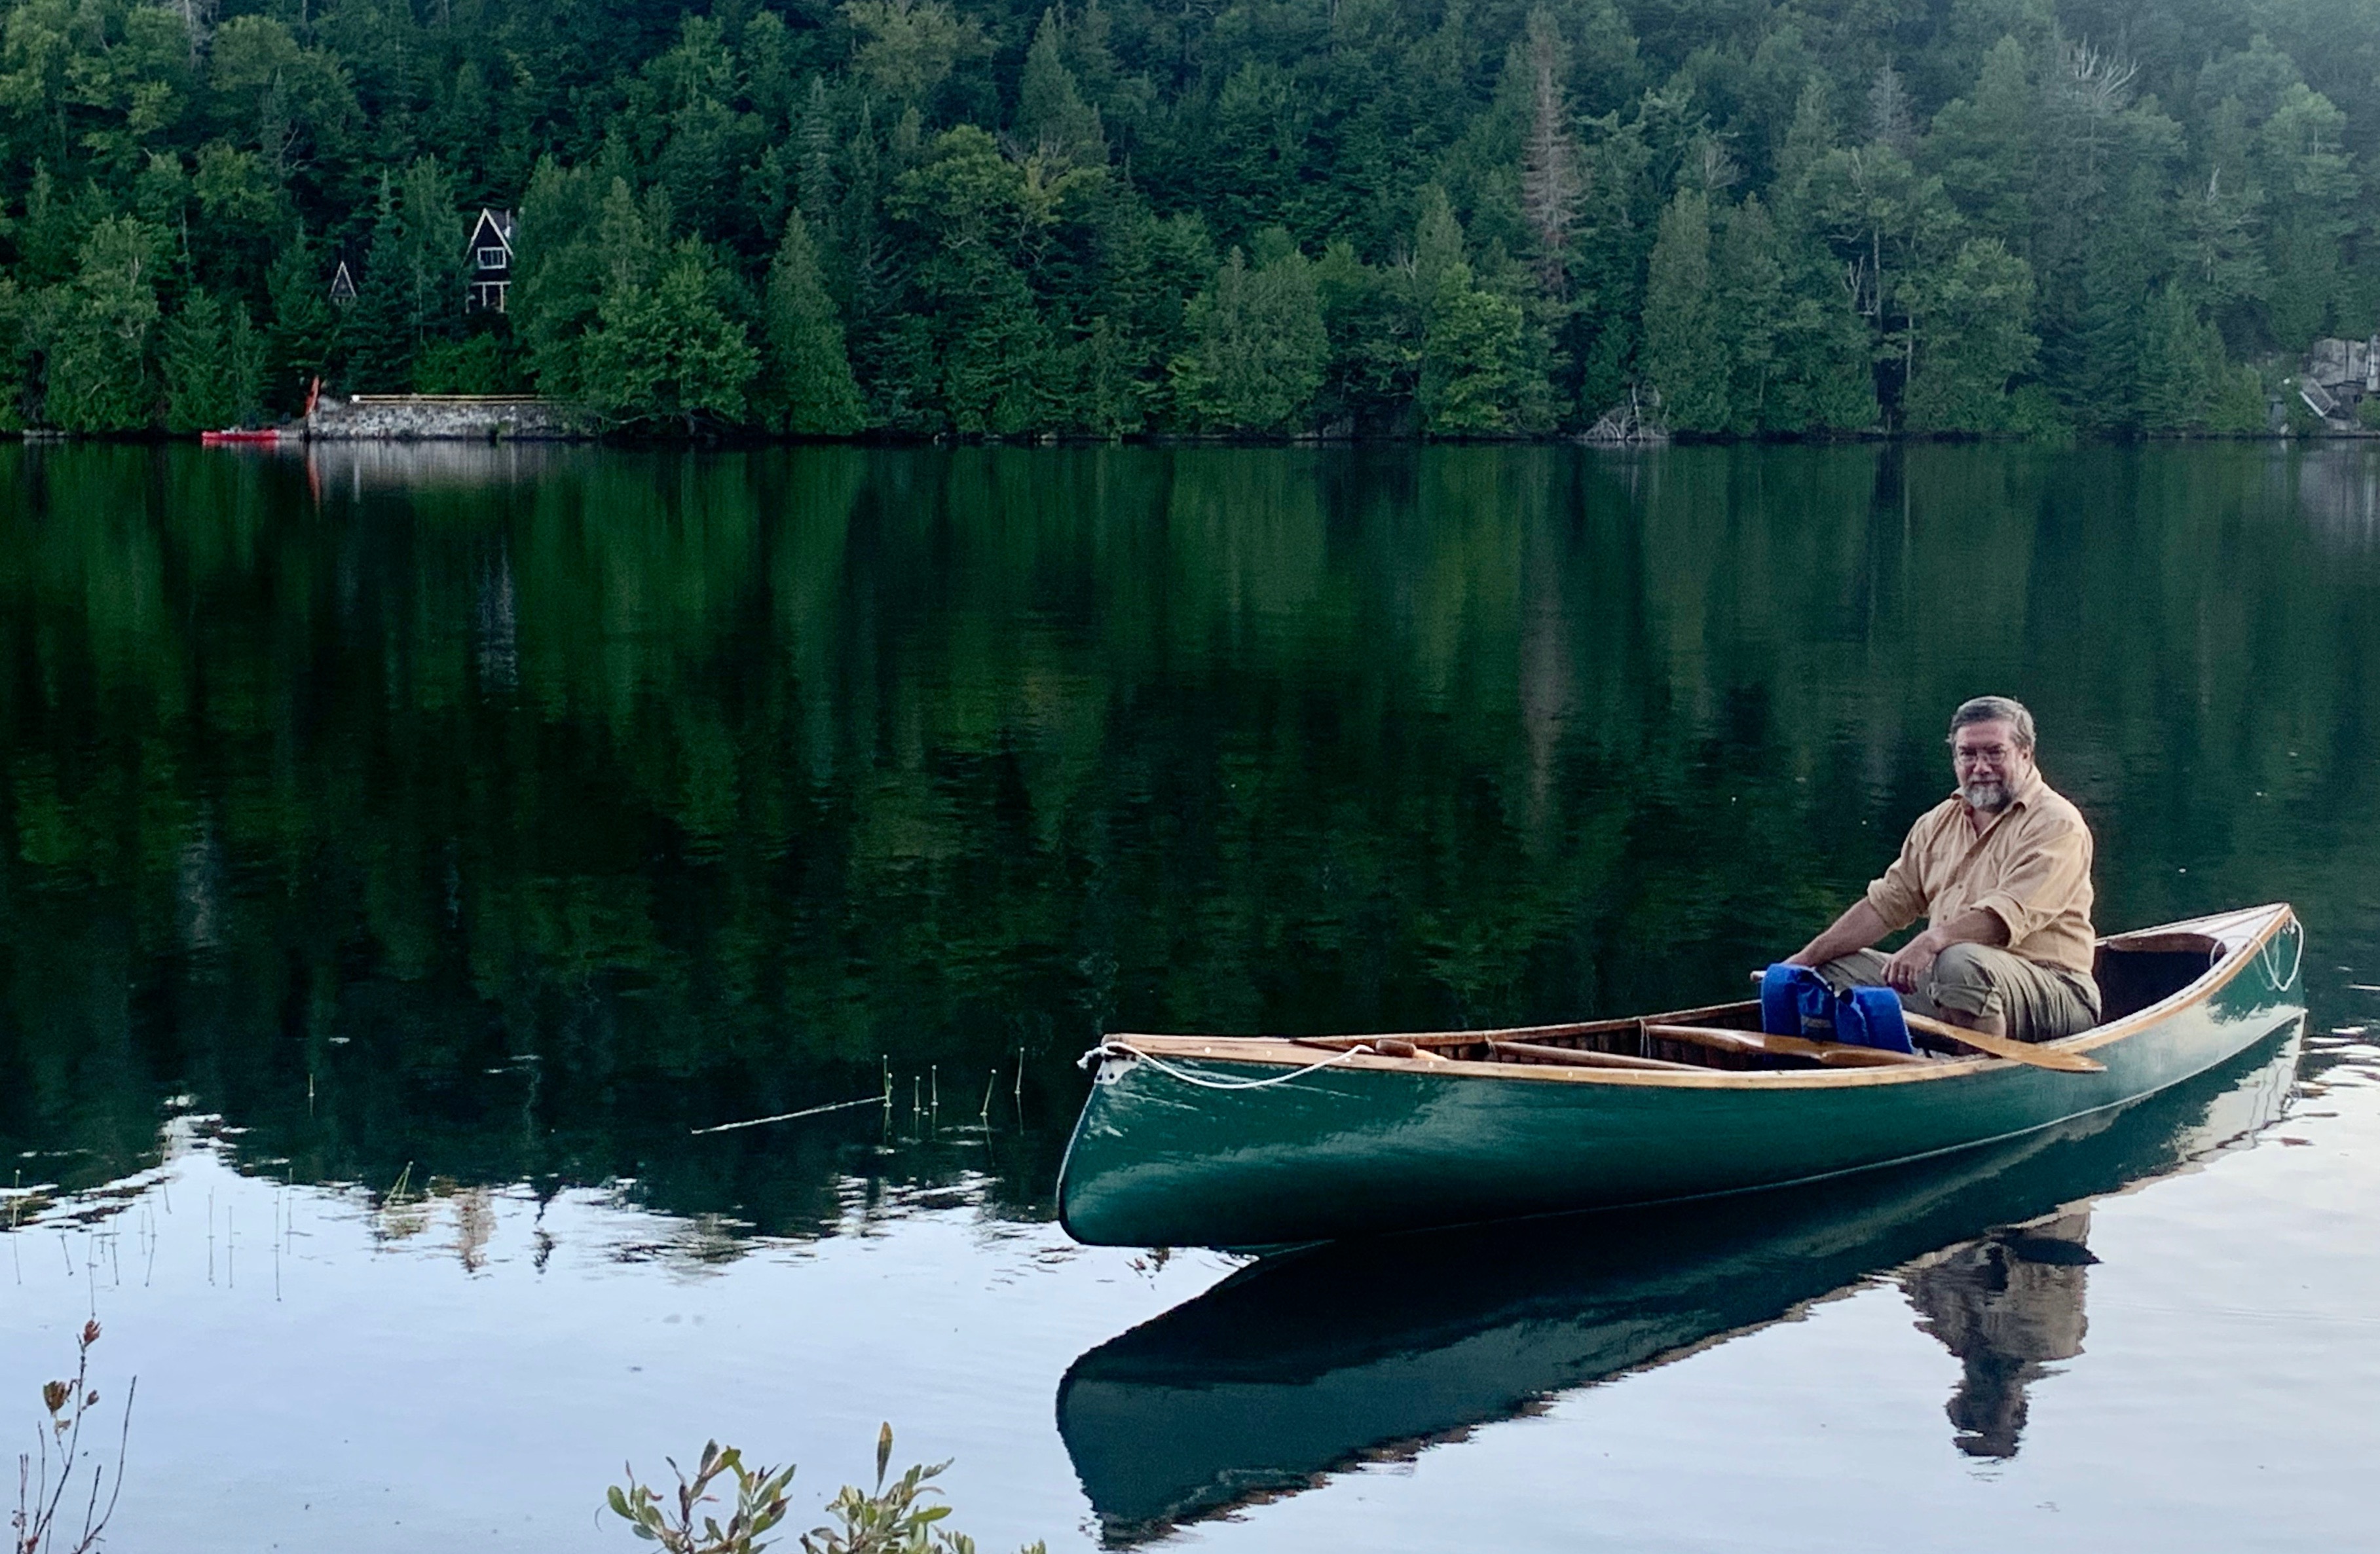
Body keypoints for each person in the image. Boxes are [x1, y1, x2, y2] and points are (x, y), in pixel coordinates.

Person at [1785, 695, 2099, 1043]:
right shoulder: (1936, 822)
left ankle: (1980, 1068)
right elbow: (1886, 905)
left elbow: (2007, 915)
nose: (1981, 767)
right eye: (1968, 754)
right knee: (1829, 971)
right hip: (1953, 983)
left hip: (2056, 990)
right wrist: (1803, 960)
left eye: (1995, 753)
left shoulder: (2057, 824)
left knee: (1958, 961)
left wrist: (1932, 941)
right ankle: (1898, 1060)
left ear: (2026, 754)